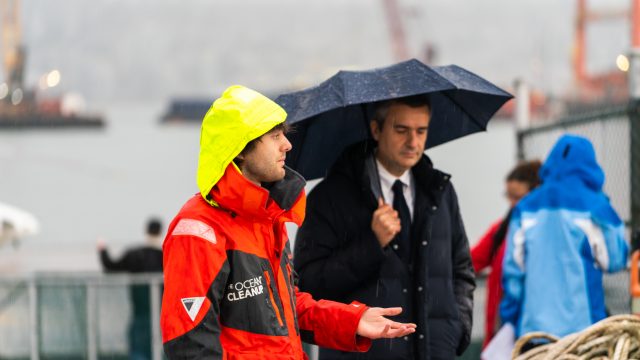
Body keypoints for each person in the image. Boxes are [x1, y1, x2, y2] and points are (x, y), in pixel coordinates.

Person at [159, 85, 416, 359]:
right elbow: (189, 344)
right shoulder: (199, 230)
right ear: (240, 149)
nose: (287, 145)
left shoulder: (267, 219)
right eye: (275, 136)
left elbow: (287, 308)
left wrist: (354, 321)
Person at [294, 94, 476, 359]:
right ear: (376, 130)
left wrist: (458, 328)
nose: (413, 142)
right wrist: (372, 243)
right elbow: (309, 286)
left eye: (421, 131)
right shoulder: (329, 198)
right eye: (401, 130)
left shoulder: (441, 191)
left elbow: (462, 270)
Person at [500, 134, 629, 339]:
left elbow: (513, 273)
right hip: (583, 332)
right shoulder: (597, 207)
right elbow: (615, 260)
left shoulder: (525, 208)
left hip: (533, 331)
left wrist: (511, 319)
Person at [471, 160, 541, 349]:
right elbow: (470, 261)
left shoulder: (544, 234)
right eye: (508, 196)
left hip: (531, 332)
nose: (512, 203)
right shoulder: (501, 230)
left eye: (517, 197)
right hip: (501, 330)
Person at [98, 217, 164, 360]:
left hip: (139, 315)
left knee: (138, 352)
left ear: (146, 231)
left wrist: (102, 249)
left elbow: (110, 266)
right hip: (162, 317)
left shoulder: (135, 255)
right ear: (160, 232)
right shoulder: (165, 256)